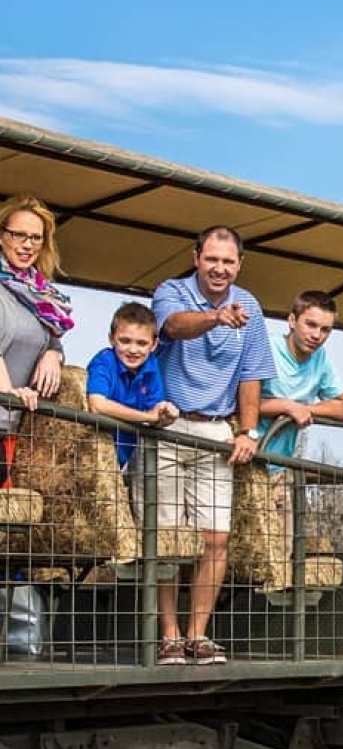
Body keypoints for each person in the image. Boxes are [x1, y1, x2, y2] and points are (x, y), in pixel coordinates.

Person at [150, 226, 276, 666]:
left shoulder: (252, 308)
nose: (219, 268)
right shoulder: (172, 291)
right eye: (212, 259)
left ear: (239, 264)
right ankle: (168, 637)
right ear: (196, 257)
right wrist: (216, 317)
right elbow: (172, 326)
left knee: (215, 538)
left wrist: (248, 431)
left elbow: (252, 374)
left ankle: (197, 635)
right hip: (167, 425)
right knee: (167, 538)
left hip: (216, 432)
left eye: (228, 261)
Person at [260, 290, 343, 558]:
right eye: (310, 325)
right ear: (292, 320)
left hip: (281, 467)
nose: (317, 335)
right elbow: (244, 401)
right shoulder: (267, 349)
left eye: (325, 330)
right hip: (248, 460)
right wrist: (289, 407)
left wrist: (306, 409)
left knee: (282, 553)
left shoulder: (320, 359)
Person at [0, 196, 71, 485]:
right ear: (2, 234)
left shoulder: (41, 295)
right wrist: (8, 391)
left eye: (35, 238)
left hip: (12, 425)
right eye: (19, 235)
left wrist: (53, 353)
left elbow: (50, 338)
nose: (27, 244)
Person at [85, 302, 179, 472]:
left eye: (142, 343)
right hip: (92, 455)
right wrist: (148, 417)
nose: (133, 350)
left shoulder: (151, 366)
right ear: (112, 338)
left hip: (126, 458)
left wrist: (167, 415)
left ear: (154, 344)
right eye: (125, 341)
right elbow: (97, 405)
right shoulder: (104, 361)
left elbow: (155, 413)